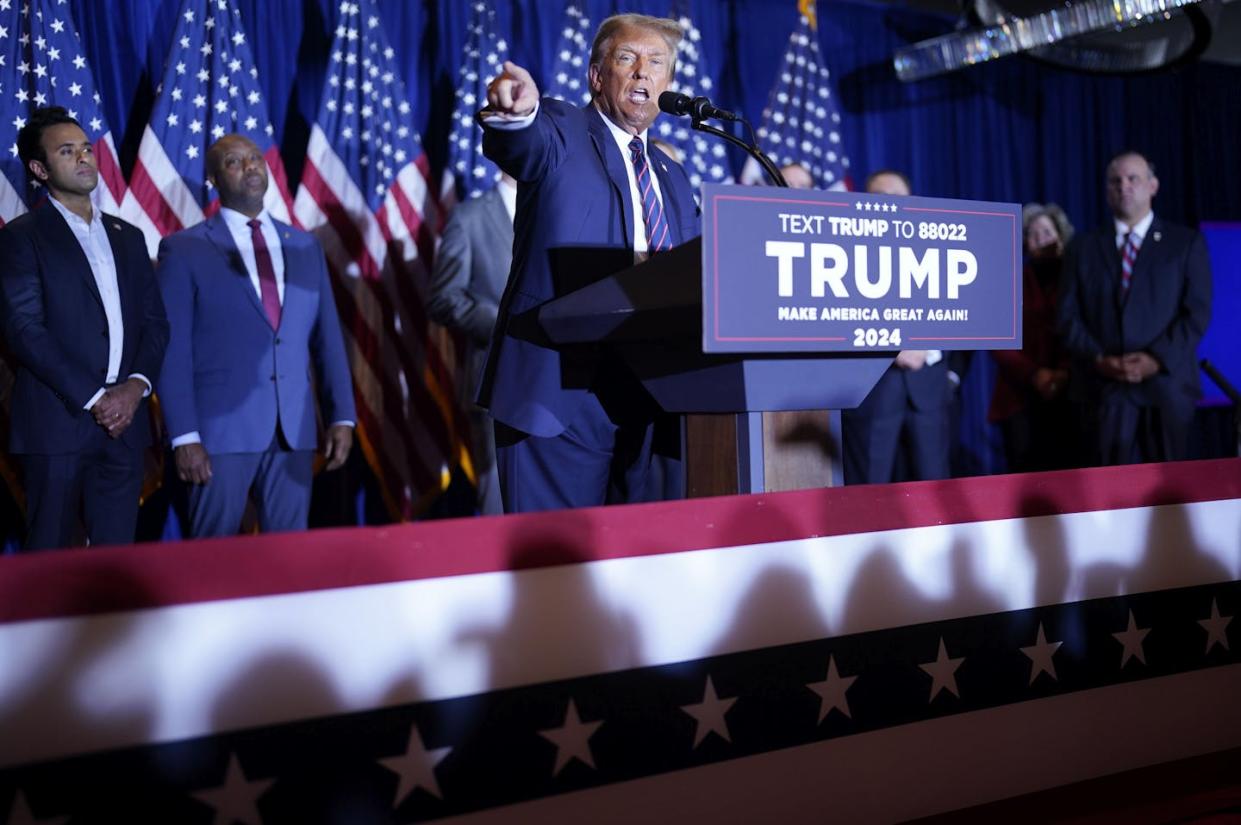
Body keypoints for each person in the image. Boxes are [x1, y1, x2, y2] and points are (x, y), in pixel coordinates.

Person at [477, 13, 700, 513]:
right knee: (554, 567)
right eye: (628, 58)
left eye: (657, 63)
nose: (643, 72)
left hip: (650, 398)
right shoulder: (561, 129)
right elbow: (522, 140)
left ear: (668, 84)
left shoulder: (672, 176)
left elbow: (699, 271)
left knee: (631, 567)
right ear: (597, 77)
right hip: (560, 392)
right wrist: (516, 114)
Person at [156, 134, 356, 536]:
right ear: (213, 178)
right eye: (233, 161)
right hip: (218, 436)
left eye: (254, 159)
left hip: (293, 430)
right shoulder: (184, 249)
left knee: (289, 562)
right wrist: (184, 436)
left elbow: (327, 338)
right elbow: (172, 350)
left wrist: (342, 415)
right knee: (212, 562)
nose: (249, 166)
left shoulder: (305, 246)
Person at [0, 107, 168, 550]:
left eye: (87, 149)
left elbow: (155, 324)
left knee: (113, 564)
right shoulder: (21, 237)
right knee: (50, 563)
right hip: (58, 422)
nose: (84, 159)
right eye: (67, 151)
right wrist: (97, 399)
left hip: (125, 423)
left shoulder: (128, 236)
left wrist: (134, 389)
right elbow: (24, 330)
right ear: (39, 168)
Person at [1057, 150, 1212, 465]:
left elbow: (1196, 312)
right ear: (1106, 190)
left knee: (1170, 499)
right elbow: (1067, 316)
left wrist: (1156, 359)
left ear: (1153, 186)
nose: (1124, 187)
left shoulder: (1185, 243)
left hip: (1167, 389)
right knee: (1106, 498)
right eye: (1115, 181)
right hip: (1102, 392)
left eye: (1133, 179)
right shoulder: (1083, 248)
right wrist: (1100, 359)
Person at [840, 170, 951, 485]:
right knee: (869, 493)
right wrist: (891, 347)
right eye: (879, 199)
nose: (888, 206)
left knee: (934, 493)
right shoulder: (847, 253)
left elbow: (957, 310)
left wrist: (935, 357)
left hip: (929, 390)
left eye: (896, 199)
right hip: (875, 389)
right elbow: (840, 317)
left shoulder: (939, 249)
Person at [428, 173, 516, 516]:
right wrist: (501, 324)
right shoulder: (470, 217)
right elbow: (443, 298)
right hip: (496, 381)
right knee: (498, 499)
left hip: (560, 381)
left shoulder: (555, 206)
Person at [989, 203, 1078, 472]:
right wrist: (1035, 375)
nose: (1041, 239)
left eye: (1047, 232)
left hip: (1070, 390)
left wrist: (1063, 373)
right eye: (1033, 234)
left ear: (1061, 237)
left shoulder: (1077, 278)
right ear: (1024, 243)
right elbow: (997, 339)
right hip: (1019, 393)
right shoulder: (1009, 281)